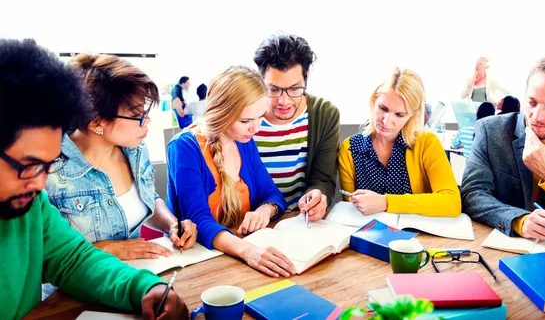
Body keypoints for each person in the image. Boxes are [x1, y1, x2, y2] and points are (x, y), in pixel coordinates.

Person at [0, 39, 187, 320]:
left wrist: (146, 288)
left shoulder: (31, 202)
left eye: (50, 164)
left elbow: (71, 259)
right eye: (30, 166)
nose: (40, 185)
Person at [46, 54, 197, 260]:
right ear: (96, 122)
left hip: (135, 280)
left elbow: (148, 198)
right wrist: (109, 249)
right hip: (75, 291)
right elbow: (39, 258)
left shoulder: (135, 150)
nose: (148, 121)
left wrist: (172, 224)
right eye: (137, 116)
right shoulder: (48, 171)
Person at [166, 66, 296, 278]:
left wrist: (265, 210)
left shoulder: (245, 141)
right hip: (202, 264)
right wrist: (248, 251)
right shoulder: (184, 146)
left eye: (260, 117)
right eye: (245, 121)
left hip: (238, 257)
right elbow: (199, 220)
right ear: (220, 113)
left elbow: (272, 194)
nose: (256, 128)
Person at [461, 55, 545, 240]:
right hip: (504, 244)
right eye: (532, 102)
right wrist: (519, 221)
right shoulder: (490, 131)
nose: (536, 116)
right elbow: (472, 194)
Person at [338, 67, 461, 217]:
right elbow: (350, 211)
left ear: (412, 115)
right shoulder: (350, 148)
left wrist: (386, 202)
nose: (386, 121)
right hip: (368, 235)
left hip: (418, 236)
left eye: (399, 115)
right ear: (373, 100)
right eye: (383, 108)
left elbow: (452, 202)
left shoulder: (427, 143)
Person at [253, 33, 340, 222]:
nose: (284, 101)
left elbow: (323, 179)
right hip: (250, 222)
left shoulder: (324, 114)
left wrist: (318, 195)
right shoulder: (245, 115)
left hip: (300, 221)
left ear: (306, 77)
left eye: (294, 89)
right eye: (273, 89)